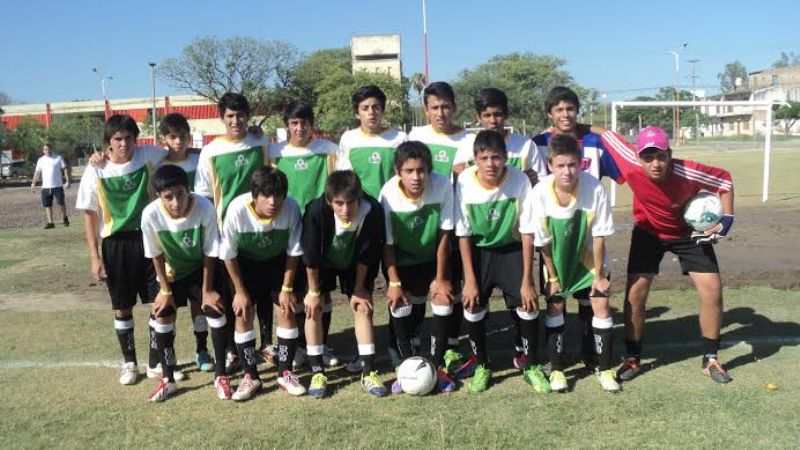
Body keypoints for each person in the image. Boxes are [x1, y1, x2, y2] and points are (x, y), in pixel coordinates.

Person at [598, 126, 735, 384]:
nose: (656, 163)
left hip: (688, 234)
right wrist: (568, 126)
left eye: (661, 156)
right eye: (648, 157)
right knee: (635, 294)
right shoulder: (628, 160)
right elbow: (603, 133)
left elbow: (725, 181)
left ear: (669, 154)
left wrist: (726, 220)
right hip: (648, 232)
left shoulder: (688, 170)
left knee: (712, 291)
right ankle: (633, 357)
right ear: (638, 158)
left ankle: (710, 358)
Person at [532, 86, 622, 370]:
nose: (565, 114)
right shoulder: (538, 143)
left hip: (587, 228)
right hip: (554, 230)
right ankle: (554, 359)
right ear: (549, 114)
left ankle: (590, 352)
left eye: (570, 108)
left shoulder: (595, 141)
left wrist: (600, 129)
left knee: (589, 299)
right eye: (558, 109)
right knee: (555, 296)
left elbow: (620, 169)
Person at [75, 114, 167, 385]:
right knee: (122, 308)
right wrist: (95, 258)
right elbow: (90, 216)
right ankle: (129, 363)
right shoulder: (96, 170)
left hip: (149, 240)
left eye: (129, 137)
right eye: (118, 139)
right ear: (108, 143)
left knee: (158, 303)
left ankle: (155, 362)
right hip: (116, 245)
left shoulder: (147, 155)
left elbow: (179, 148)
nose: (124, 143)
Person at [455, 130, 542, 393]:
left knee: (527, 303)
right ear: (475, 159)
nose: (491, 164)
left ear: (505, 157)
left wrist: (527, 280)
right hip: (479, 252)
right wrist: (469, 280)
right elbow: (463, 234)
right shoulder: (464, 182)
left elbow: (527, 232)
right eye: (484, 158)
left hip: (511, 249)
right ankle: (482, 365)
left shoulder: (519, 181)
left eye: (496, 157)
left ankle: (531, 365)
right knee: (472, 305)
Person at [472, 87, 547, 370]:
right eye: (487, 115)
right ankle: (480, 359)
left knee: (521, 297)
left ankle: (522, 349)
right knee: (475, 299)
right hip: (483, 236)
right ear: (479, 117)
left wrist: (531, 180)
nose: (493, 120)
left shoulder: (524, 145)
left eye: (498, 114)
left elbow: (540, 183)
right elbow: (462, 178)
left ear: (506, 115)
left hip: (516, 236)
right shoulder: (471, 145)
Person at [194, 92, 269, 377]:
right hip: (227, 232)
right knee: (231, 294)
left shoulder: (260, 141)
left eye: (240, 115)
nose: (235, 121)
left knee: (260, 291)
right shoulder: (210, 151)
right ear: (221, 118)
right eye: (229, 116)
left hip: (259, 229)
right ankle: (231, 350)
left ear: (247, 116)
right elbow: (203, 195)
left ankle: (266, 344)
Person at [218, 166, 306, 400]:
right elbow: (228, 254)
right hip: (244, 265)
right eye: (266, 195)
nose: (273, 201)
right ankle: (251, 376)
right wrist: (239, 290)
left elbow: (294, 251)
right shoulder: (236, 209)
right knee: (243, 312)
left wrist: (287, 288)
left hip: (277, 263)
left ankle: (285, 372)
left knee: (287, 310)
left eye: (278, 195)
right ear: (254, 195)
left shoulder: (292, 208)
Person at [379, 141, 457, 394]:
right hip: (401, 262)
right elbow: (387, 244)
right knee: (400, 305)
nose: (416, 177)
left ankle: (437, 366)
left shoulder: (442, 185)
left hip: (433, 258)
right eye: (409, 171)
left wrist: (441, 276)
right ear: (397, 171)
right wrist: (393, 283)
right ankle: (407, 367)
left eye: (421, 170)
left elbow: (445, 235)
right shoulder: (388, 193)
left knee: (443, 299)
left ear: (429, 170)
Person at [301, 170, 387, 398]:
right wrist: (312, 291)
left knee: (363, 306)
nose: (345, 210)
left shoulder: (372, 210)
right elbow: (310, 255)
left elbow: (367, 254)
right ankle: (317, 372)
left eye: (350, 202)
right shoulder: (315, 211)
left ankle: (368, 371)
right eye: (339, 203)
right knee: (314, 308)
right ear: (329, 201)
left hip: (354, 262)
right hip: (322, 262)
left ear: (360, 197)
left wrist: (359, 288)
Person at [140, 165, 221, 401]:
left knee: (213, 308)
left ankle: (206, 355)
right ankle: (168, 377)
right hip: (170, 272)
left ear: (189, 190)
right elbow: (155, 253)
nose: (176, 203)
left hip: (198, 269)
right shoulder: (150, 214)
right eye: (168, 197)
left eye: (180, 194)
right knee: (163, 313)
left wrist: (207, 291)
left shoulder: (205, 207)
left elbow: (210, 252)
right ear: (159, 196)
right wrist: (165, 289)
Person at [407, 81, 472, 374]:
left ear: (454, 107)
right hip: (425, 222)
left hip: (459, 222)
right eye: (435, 107)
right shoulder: (416, 135)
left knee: (453, 285)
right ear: (426, 110)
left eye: (446, 106)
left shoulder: (469, 139)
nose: (441, 112)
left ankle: (452, 346)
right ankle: (418, 340)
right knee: (420, 287)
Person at [269, 101, 340, 369]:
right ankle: (298, 347)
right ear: (286, 125)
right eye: (294, 123)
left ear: (312, 123)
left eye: (304, 122)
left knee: (322, 292)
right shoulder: (274, 153)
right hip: (285, 232)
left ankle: (322, 345)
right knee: (294, 294)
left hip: (319, 231)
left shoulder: (329, 151)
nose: (300, 128)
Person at [153, 112, 214, 373]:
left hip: (199, 237)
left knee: (198, 302)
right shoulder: (156, 163)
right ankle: (164, 357)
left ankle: (202, 350)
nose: (178, 141)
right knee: (166, 302)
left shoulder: (201, 158)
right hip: (170, 243)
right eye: (172, 136)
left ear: (190, 136)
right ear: (163, 139)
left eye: (183, 136)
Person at [337, 85, 407, 200]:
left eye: (376, 107)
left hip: (392, 205)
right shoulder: (348, 139)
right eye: (365, 108)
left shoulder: (399, 138)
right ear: (357, 113)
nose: (371, 112)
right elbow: (344, 179)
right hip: (361, 206)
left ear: (382, 110)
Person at [31, 143, 70, 228]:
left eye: (48, 149)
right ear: (43, 151)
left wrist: (67, 180)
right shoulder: (41, 160)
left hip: (58, 186)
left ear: (51, 149)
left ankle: (65, 217)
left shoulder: (58, 158)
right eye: (45, 149)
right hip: (46, 187)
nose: (47, 151)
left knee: (61, 203)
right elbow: (37, 173)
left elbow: (65, 169)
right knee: (47, 205)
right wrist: (33, 183)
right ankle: (50, 222)